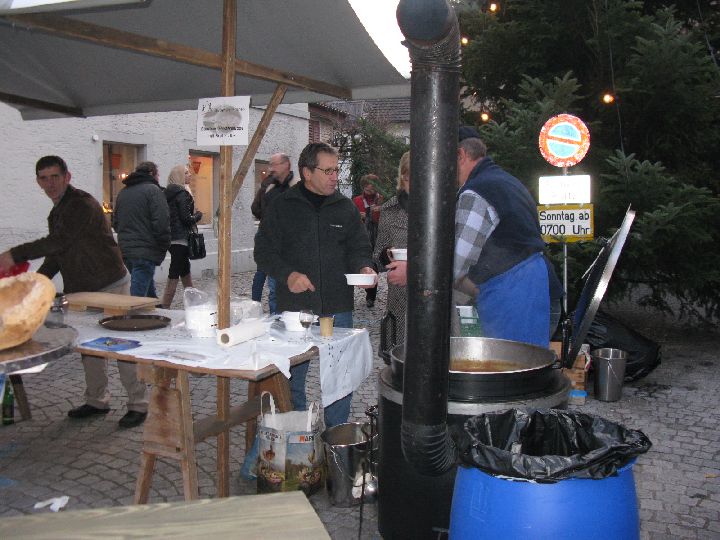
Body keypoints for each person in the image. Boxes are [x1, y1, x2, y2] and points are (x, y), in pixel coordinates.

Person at [0, 156, 148, 428]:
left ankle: (138, 404)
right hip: (81, 289)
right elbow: (58, 253)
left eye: (55, 177)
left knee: (122, 345)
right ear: (38, 182)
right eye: (44, 178)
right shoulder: (58, 211)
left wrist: (14, 255)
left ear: (67, 177)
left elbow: (58, 241)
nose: (50, 183)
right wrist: (35, 284)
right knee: (89, 347)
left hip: (111, 284)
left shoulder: (81, 204)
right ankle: (97, 400)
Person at [254, 142, 376, 428]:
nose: (335, 177)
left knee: (340, 377)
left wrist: (364, 266)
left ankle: (335, 435)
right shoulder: (282, 206)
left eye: (336, 170)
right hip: (295, 309)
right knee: (291, 376)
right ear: (307, 173)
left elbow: (359, 247)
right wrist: (288, 275)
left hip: (338, 305)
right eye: (328, 171)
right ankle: (299, 431)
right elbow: (264, 252)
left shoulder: (345, 207)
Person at [454, 127, 557, 349]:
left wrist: (414, 273)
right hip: (533, 282)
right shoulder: (506, 180)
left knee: (512, 363)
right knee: (529, 360)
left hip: (513, 292)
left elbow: (456, 263)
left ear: (460, 155)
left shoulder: (476, 192)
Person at [112, 161, 170, 299]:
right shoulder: (153, 191)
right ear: (151, 173)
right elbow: (161, 222)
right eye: (158, 175)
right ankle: (136, 312)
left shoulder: (123, 192)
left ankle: (155, 308)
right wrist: (164, 244)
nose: (158, 178)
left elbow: (116, 222)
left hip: (127, 249)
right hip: (146, 249)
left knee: (146, 289)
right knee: (138, 296)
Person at [250, 153, 296, 314]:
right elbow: (257, 209)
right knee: (274, 287)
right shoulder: (269, 187)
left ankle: (288, 317)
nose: (271, 169)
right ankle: (275, 318)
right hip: (271, 244)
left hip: (290, 246)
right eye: (270, 165)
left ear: (286, 165)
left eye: (274, 165)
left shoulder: (297, 187)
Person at [373, 152, 410, 349]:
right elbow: (378, 257)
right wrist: (386, 254)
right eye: (410, 177)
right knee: (400, 358)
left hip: (435, 303)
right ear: (403, 177)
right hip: (400, 302)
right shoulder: (390, 210)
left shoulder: (445, 207)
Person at [161, 165, 202, 308]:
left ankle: (194, 303)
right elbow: (186, 218)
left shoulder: (167, 193)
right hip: (181, 238)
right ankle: (165, 304)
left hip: (171, 237)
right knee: (175, 270)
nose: (189, 175)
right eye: (186, 173)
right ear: (179, 176)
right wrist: (198, 215)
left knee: (184, 269)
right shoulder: (182, 194)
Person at [353, 174, 384, 308]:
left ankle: (371, 295)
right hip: (362, 236)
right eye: (367, 188)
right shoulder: (357, 201)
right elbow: (351, 220)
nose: (369, 190)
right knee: (366, 262)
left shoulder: (382, 200)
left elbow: (386, 220)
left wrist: (379, 212)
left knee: (374, 264)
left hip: (378, 236)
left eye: (372, 188)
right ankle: (368, 289)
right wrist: (358, 216)